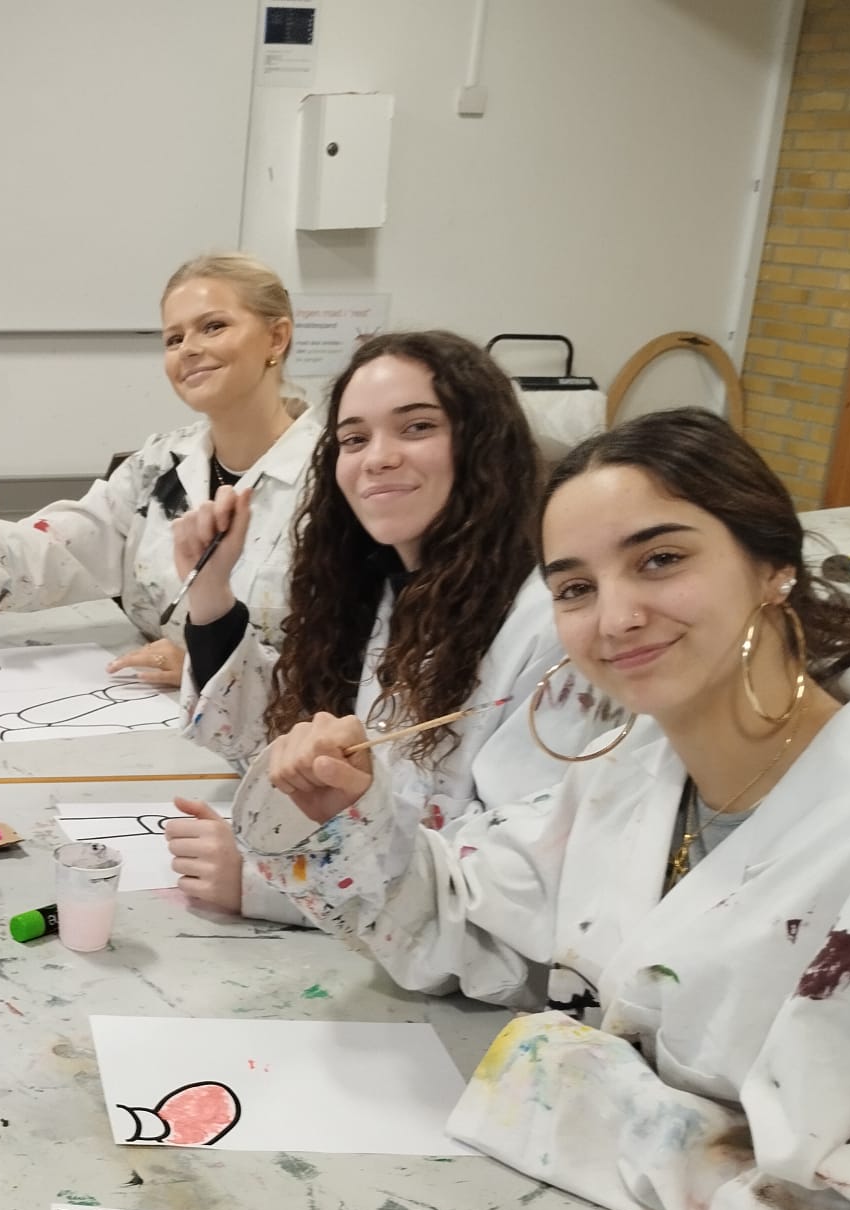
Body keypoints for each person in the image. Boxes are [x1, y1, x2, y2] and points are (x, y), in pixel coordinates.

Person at [255, 408, 850, 1210]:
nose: (614, 617)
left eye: (659, 560)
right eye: (573, 587)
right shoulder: (629, 767)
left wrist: (589, 1103)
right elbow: (472, 930)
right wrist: (355, 819)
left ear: (771, 565)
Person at [163, 331, 608, 929]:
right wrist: (211, 592)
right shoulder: (379, 586)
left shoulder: (547, 628)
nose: (377, 458)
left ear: (482, 442)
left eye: (417, 427)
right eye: (354, 438)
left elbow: (514, 889)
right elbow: (280, 741)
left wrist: (280, 881)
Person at [0, 253, 323, 689]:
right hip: (149, 709)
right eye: (174, 339)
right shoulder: (161, 465)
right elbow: (64, 543)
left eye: (213, 327)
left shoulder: (335, 481)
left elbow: (353, 658)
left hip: (281, 730)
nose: (189, 349)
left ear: (276, 337)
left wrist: (211, 664)